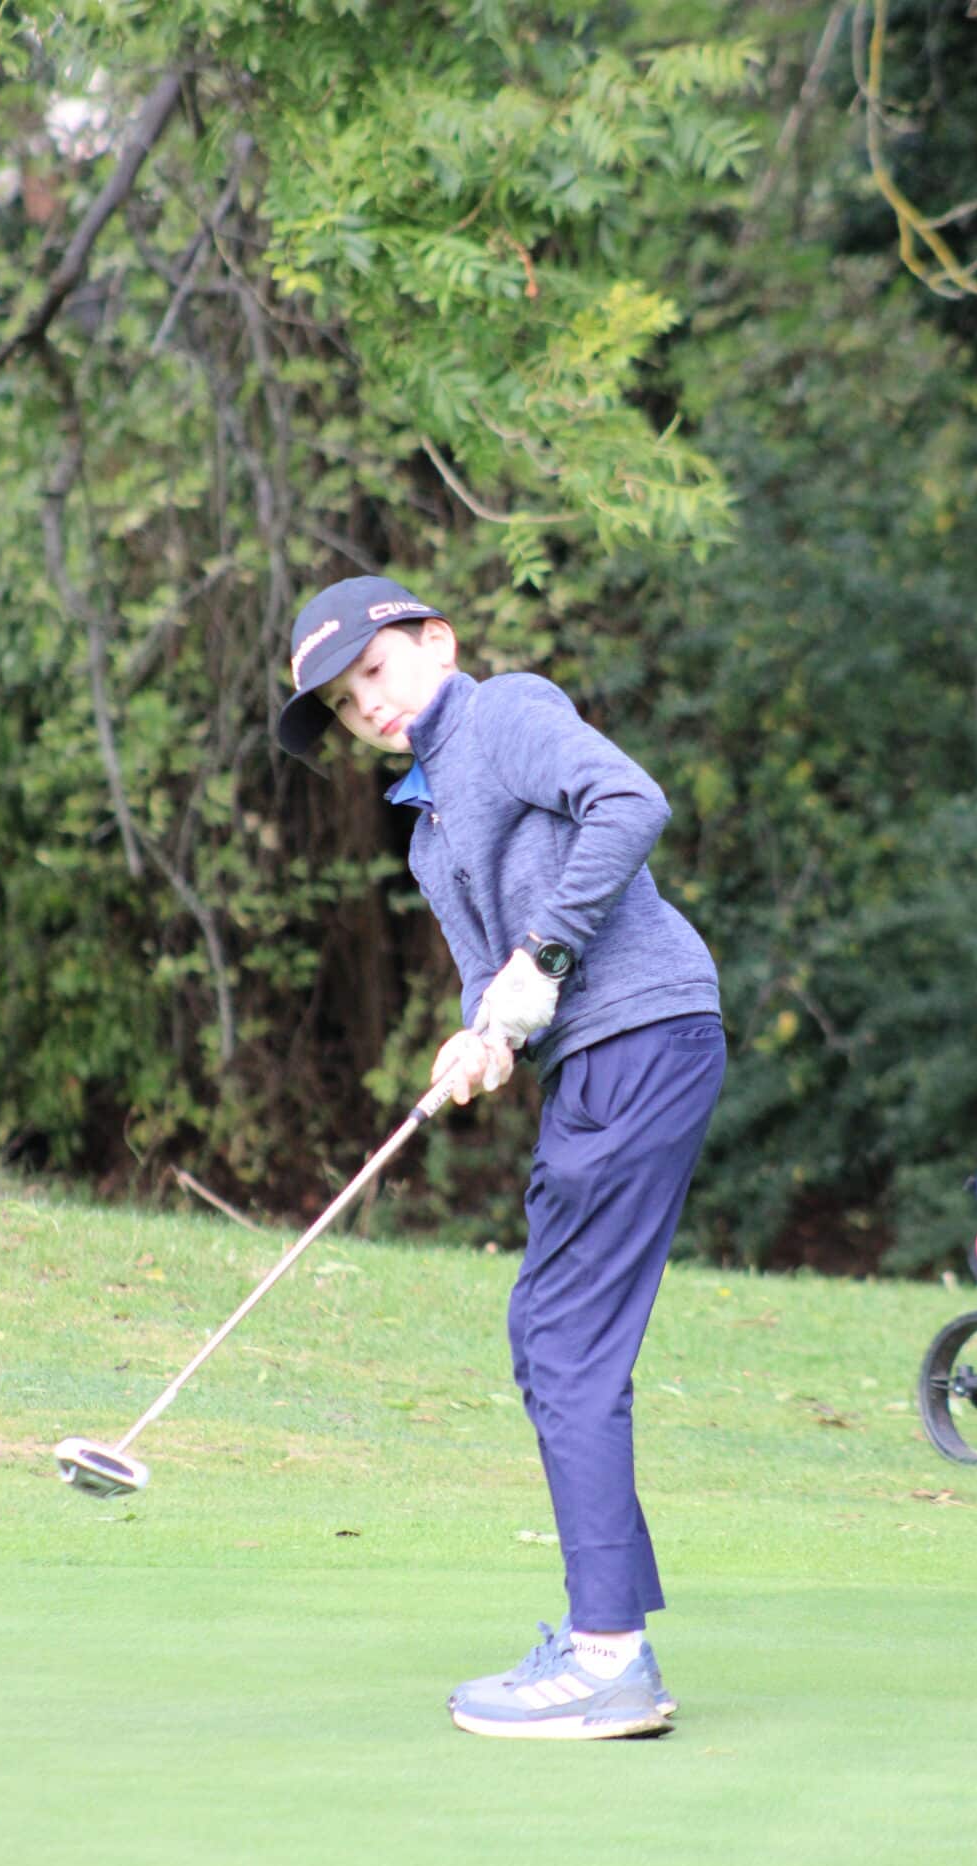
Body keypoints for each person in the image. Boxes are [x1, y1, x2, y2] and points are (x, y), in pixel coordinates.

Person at [277, 575, 725, 1740]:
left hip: (643, 1034)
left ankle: (607, 1660)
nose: (366, 707)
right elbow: (499, 984)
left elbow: (629, 802)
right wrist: (480, 1038)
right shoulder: (428, 832)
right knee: (545, 1333)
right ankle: (606, 1631)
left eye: (372, 672)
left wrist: (544, 956)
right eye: (342, 704)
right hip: (602, 1057)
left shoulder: (505, 711)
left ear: (435, 641)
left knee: (565, 1340)